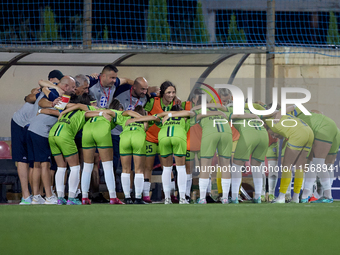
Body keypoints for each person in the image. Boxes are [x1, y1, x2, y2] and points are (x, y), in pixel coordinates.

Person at [27, 76, 76, 204]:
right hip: (41, 132)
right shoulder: (61, 95)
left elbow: (42, 96)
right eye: (73, 87)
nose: (75, 90)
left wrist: (45, 107)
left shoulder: (53, 92)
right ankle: (49, 196)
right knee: (45, 165)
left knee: (37, 165)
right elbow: (60, 112)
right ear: (65, 87)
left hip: (32, 129)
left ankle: (36, 197)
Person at [80, 99, 133, 205]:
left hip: (87, 131)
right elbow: (128, 115)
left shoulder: (98, 111)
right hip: (101, 131)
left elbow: (84, 112)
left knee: (87, 166)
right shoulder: (116, 113)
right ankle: (113, 197)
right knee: (108, 166)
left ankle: (84, 197)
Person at [47, 94, 97, 205]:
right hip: (65, 135)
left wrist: (41, 111)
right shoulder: (86, 110)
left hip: (53, 134)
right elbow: (98, 112)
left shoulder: (68, 110)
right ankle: (71, 197)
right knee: (75, 167)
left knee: (61, 167)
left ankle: (60, 198)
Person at [262, 107, 314, 204]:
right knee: (300, 167)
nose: (273, 136)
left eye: (272, 134)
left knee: (286, 166)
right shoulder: (285, 117)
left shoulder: (267, 119)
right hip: (308, 131)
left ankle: (281, 196)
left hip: (297, 133)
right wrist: (280, 112)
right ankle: (296, 197)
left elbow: (294, 105)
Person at [143, 81, 180, 203]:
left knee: (167, 167)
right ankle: (145, 194)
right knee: (148, 167)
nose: (171, 95)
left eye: (173, 92)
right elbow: (143, 114)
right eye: (168, 92)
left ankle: (171, 194)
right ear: (162, 93)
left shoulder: (176, 103)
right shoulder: (153, 101)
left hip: (165, 139)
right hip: (150, 138)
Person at [191, 100, 233, 204]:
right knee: (226, 166)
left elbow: (192, 117)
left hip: (210, 132)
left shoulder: (196, 110)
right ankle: (225, 198)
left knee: (205, 166)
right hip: (226, 132)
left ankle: (202, 198)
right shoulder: (221, 109)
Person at [119, 105, 159, 204]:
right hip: (138, 137)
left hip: (125, 138)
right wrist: (143, 118)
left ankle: (127, 197)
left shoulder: (126, 119)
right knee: (139, 170)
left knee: (125, 169)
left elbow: (125, 112)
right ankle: (137, 197)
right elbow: (154, 119)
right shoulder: (144, 120)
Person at [155, 105, 191, 204]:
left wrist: (168, 114)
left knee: (166, 168)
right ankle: (182, 198)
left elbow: (156, 117)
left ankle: (167, 198)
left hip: (163, 137)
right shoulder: (184, 117)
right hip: (178, 136)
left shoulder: (165, 117)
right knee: (181, 168)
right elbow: (191, 113)